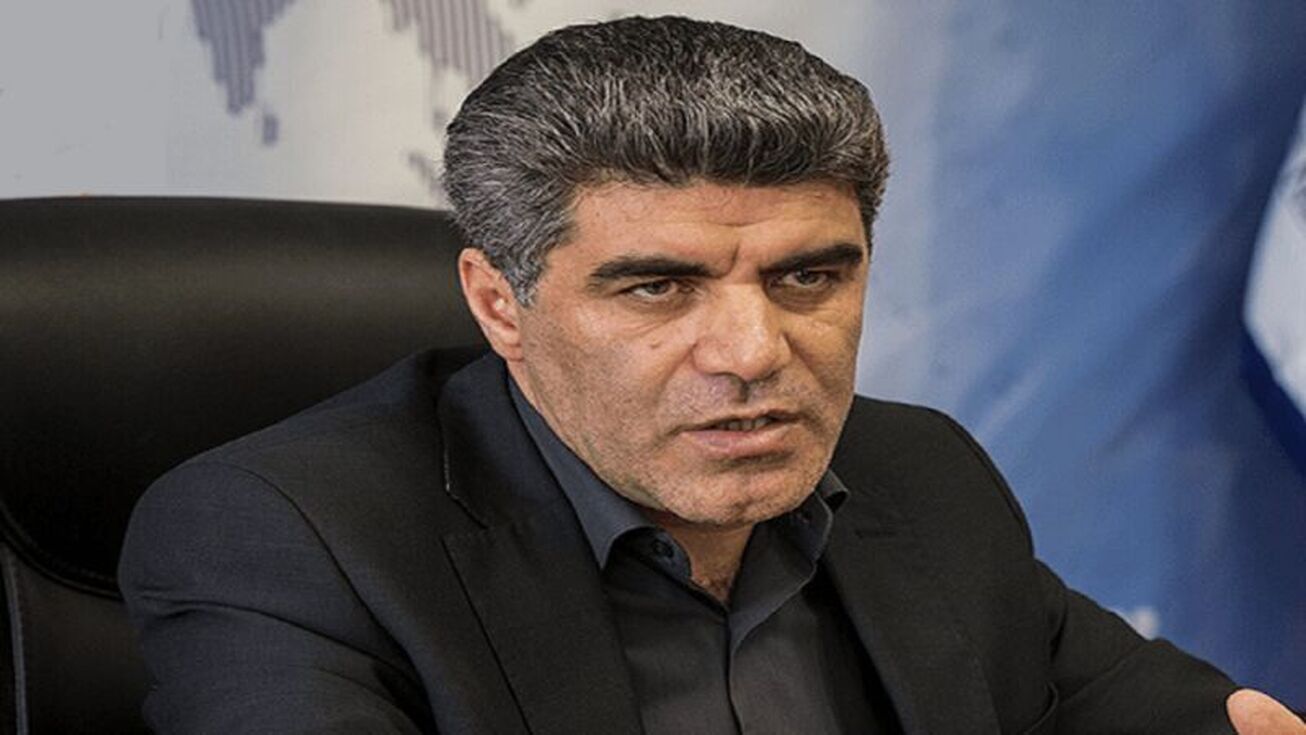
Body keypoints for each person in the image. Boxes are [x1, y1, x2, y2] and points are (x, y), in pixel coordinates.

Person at [118, 15, 1304, 734]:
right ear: (500, 304)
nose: (753, 352)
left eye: (808, 277)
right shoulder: (282, 539)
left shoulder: (916, 470)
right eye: (657, 288)